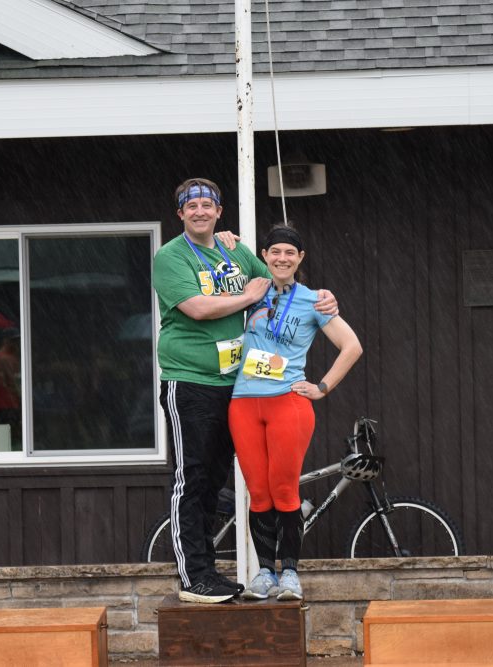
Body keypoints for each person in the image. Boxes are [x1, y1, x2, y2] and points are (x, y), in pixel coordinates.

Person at [153, 178, 338, 604]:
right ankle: (194, 576)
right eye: (191, 206)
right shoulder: (170, 256)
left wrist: (322, 298)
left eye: (208, 205)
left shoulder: (233, 251)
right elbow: (198, 308)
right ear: (180, 214)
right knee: (192, 478)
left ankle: (212, 573)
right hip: (190, 381)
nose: (200, 211)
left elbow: (277, 278)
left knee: (216, 481)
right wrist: (245, 298)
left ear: (219, 212)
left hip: (233, 385)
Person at [228, 224, 362, 601]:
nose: (282, 258)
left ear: (300, 258)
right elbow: (220, 272)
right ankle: (264, 573)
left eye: (290, 252)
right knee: (258, 493)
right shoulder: (251, 291)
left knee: (284, 490)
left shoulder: (314, 301)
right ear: (264, 256)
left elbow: (351, 346)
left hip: (288, 403)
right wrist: (225, 238)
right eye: (275, 252)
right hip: (243, 404)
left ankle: (289, 573)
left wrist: (321, 387)